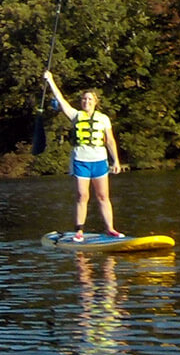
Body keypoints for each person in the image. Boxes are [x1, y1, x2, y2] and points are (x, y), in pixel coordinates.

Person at [43, 71, 123, 241]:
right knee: (82, 196)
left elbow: (110, 141)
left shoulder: (103, 119)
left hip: (99, 161)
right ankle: (79, 230)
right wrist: (50, 80)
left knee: (103, 196)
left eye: (89, 99)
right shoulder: (75, 115)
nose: (86, 102)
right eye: (84, 99)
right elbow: (62, 100)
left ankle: (110, 229)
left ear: (95, 102)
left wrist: (115, 160)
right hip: (81, 161)